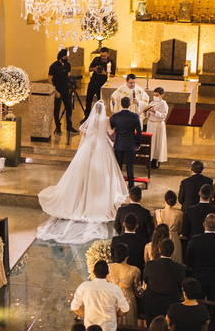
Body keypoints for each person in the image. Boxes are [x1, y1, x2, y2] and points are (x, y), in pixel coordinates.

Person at [36, 101, 129, 243]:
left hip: (90, 144)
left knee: (84, 170)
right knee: (105, 171)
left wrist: (89, 133)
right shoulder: (106, 119)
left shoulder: (91, 119)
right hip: (102, 145)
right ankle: (98, 196)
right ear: (103, 110)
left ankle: (82, 195)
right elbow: (110, 132)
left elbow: (82, 128)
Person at [71, 259, 130, 331]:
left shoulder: (84, 287)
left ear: (93, 272)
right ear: (108, 273)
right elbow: (125, 309)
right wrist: (116, 314)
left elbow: (75, 307)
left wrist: (86, 313)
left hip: (89, 330)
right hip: (108, 329)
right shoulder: (114, 289)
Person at [187, 213, 215, 302]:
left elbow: (190, 258)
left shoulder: (195, 240)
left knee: (198, 304)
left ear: (204, 225)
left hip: (199, 278)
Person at [141, 238, 185, 324]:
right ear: (173, 251)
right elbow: (182, 285)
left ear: (159, 249)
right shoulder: (179, 268)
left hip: (152, 304)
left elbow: (145, 280)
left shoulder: (150, 265)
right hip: (171, 304)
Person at [109, 95, 142, 185]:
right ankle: (131, 186)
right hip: (130, 145)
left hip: (119, 144)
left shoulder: (115, 116)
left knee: (118, 167)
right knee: (130, 168)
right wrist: (138, 144)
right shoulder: (135, 116)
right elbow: (139, 132)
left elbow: (111, 128)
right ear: (130, 104)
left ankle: (117, 186)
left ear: (120, 104)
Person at [106, 243, 141, 326]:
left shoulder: (108, 268)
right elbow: (138, 292)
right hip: (128, 304)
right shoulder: (134, 270)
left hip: (111, 302)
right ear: (127, 256)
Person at [48, 48, 76, 134]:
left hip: (65, 89)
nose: (66, 58)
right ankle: (58, 126)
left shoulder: (68, 65)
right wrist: (55, 91)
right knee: (57, 109)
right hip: (58, 89)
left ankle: (69, 126)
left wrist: (71, 84)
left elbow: (68, 75)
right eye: (65, 56)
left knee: (69, 107)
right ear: (61, 56)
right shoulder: (54, 66)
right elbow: (49, 79)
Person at [154, 190, 184, 264]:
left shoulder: (157, 213)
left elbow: (156, 229)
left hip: (160, 241)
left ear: (164, 200)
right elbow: (180, 231)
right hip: (175, 242)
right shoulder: (180, 214)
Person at [85, 46, 115, 115]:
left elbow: (113, 75)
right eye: (102, 55)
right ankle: (87, 115)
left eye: (104, 56)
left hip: (102, 84)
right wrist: (94, 69)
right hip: (93, 82)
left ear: (108, 54)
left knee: (100, 101)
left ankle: (100, 115)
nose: (103, 57)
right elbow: (89, 69)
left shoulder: (111, 62)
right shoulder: (96, 59)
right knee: (88, 100)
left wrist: (105, 73)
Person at [143, 88, 169, 166]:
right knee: (150, 142)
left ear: (161, 96)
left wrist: (155, 112)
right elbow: (147, 115)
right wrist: (146, 112)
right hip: (151, 124)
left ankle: (156, 160)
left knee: (157, 143)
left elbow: (163, 116)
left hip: (158, 125)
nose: (155, 97)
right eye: (154, 95)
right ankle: (149, 159)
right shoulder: (152, 102)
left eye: (157, 95)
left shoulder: (163, 104)